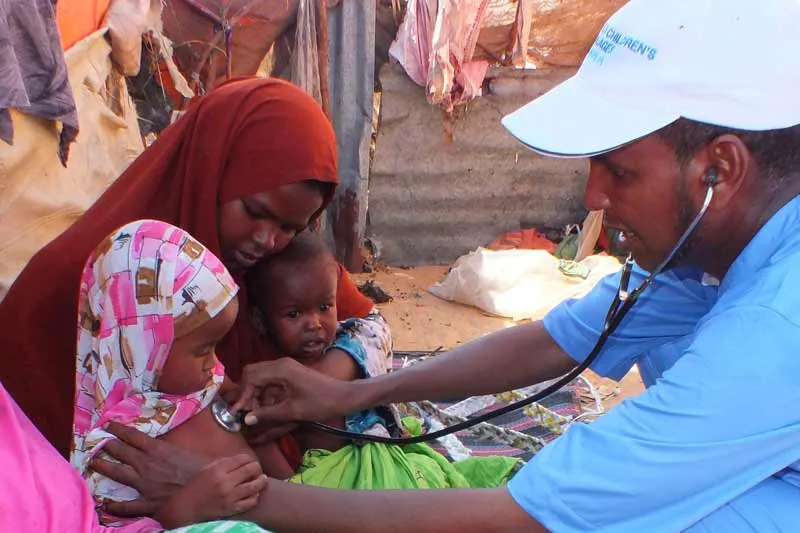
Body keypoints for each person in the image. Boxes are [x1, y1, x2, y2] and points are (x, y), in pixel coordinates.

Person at [202, 0, 799, 531]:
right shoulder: (709, 252)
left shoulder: (776, 326)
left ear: (720, 169)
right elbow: (555, 342)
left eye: (618, 171)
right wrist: (345, 396)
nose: (593, 197)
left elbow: (522, 516)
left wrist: (237, 501)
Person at [0, 77, 385, 472]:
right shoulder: (89, 279)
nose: (267, 240)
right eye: (255, 212)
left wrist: (315, 385)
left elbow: (371, 327)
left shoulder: (283, 266)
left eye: (290, 227)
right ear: (211, 167)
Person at [246, 231, 519, 489]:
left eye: (325, 307)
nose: (314, 324)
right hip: (333, 483)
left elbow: (374, 328)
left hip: (380, 459)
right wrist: (299, 503)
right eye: (294, 315)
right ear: (259, 321)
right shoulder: (271, 387)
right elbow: (270, 458)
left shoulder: (345, 341)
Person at [71, 219, 290, 526]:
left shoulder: (205, 384)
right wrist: (182, 511)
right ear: (143, 349)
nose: (214, 363)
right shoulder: (121, 447)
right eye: (204, 349)